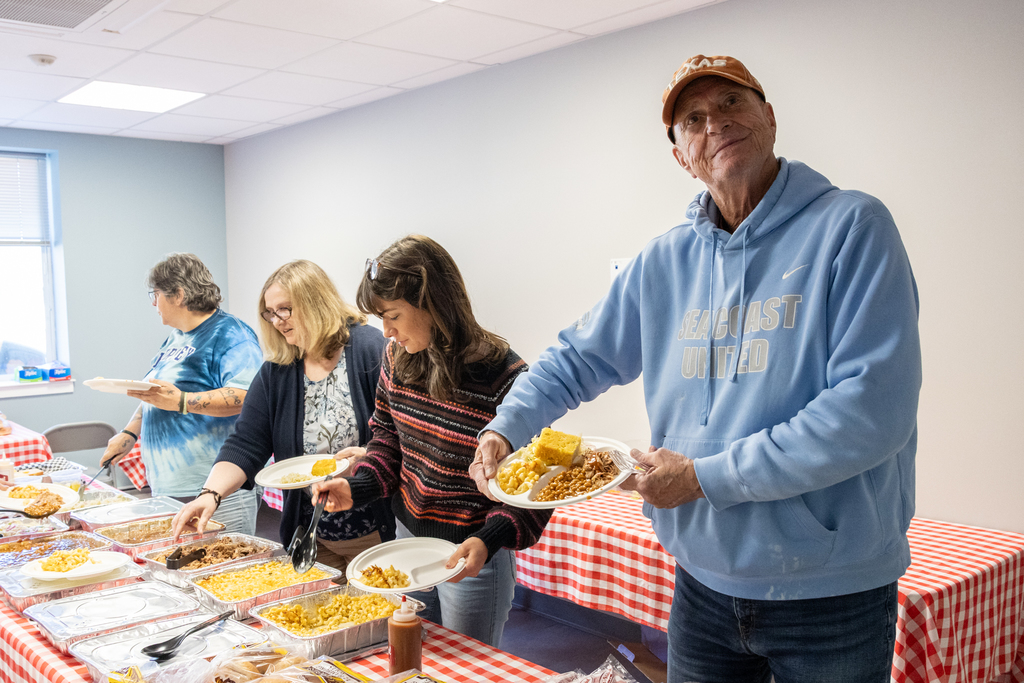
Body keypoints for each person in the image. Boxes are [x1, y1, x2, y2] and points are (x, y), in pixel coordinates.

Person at [471, 55, 922, 683]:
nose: (716, 123)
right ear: (681, 154)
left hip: (830, 594)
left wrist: (706, 478)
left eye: (733, 103)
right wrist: (504, 427)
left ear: (768, 116)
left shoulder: (851, 226)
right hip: (702, 587)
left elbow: (872, 410)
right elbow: (577, 357)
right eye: (693, 118)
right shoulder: (664, 261)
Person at [311, 235, 551, 648]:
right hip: (409, 541)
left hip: (472, 554)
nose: (386, 331)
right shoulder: (396, 359)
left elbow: (532, 492)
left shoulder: (507, 378)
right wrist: (358, 487)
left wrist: (488, 539)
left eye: (393, 316)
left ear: (432, 301)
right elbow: (386, 439)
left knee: (464, 669)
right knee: (413, 655)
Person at [170, 260, 394, 571]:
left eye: (285, 309)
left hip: (374, 531)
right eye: (270, 312)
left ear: (316, 302)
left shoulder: (371, 349)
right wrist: (211, 494)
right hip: (311, 535)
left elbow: (402, 434)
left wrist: (369, 454)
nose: (277, 320)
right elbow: (247, 442)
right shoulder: (277, 372)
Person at [101, 253, 263, 534]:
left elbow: (247, 396)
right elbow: (156, 393)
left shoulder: (231, 334)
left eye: (156, 294)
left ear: (178, 294)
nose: (154, 303)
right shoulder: (176, 337)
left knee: (223, 570)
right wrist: (129, 434)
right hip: (169, 487)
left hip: (214, 487)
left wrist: (183, 401)